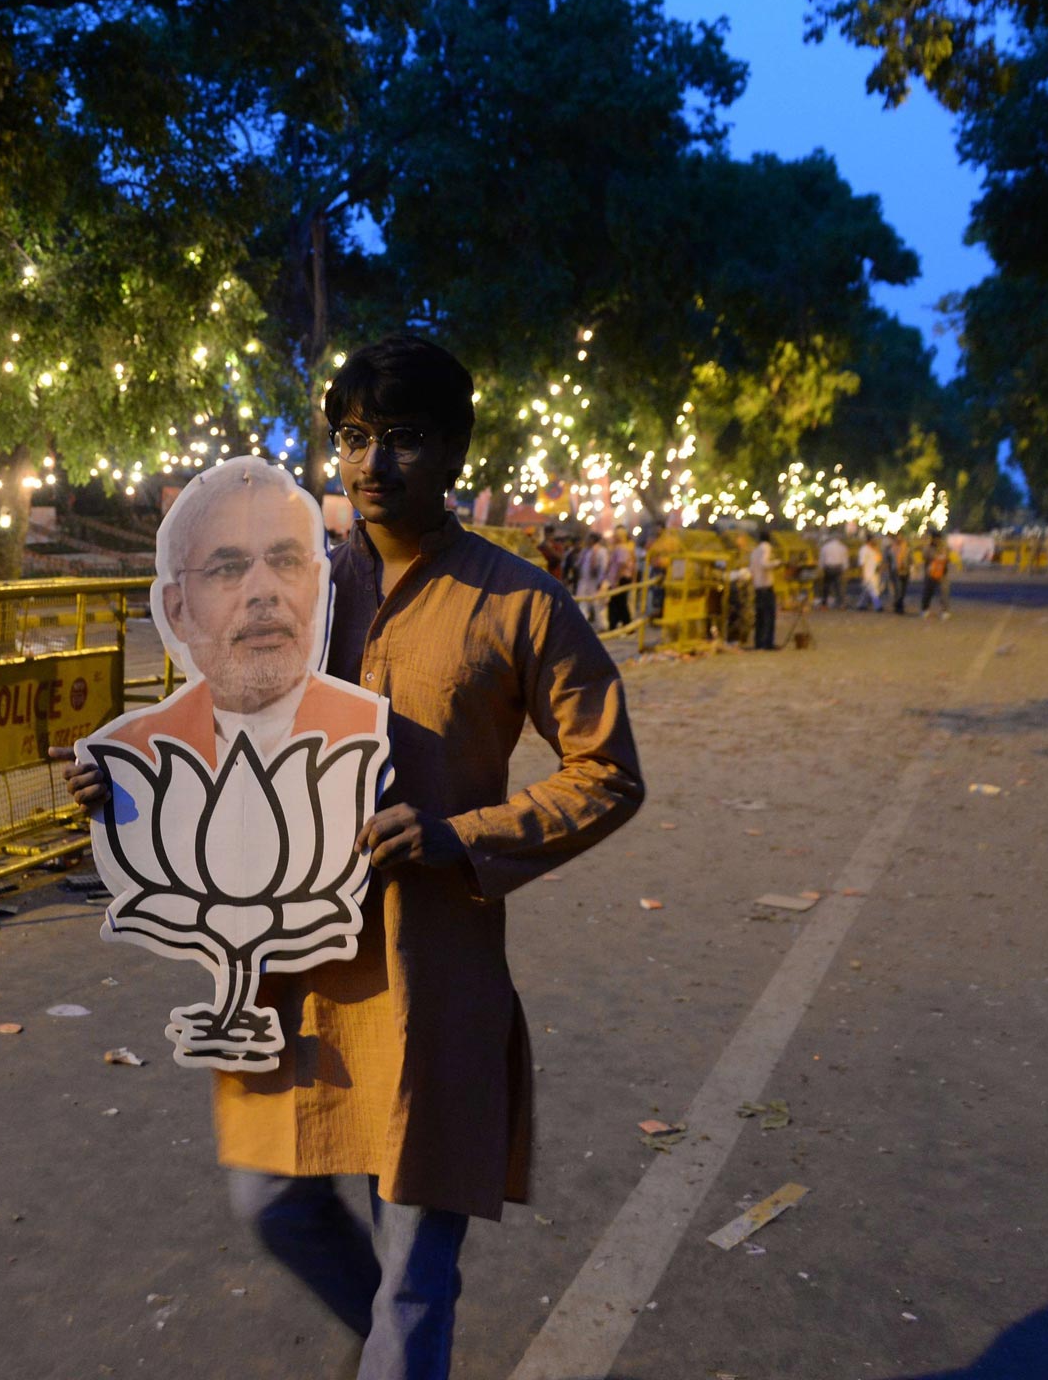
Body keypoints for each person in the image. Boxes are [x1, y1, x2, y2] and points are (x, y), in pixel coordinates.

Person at [56, 335, 644, 1380]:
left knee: (415, 1270)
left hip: (432, 974)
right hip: (286, 963)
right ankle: (391, 1347)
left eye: (403, 440)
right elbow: (221, 723)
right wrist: (128, 779)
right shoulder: (298, 589)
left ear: (457, 449)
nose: (371, 465)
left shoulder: (519, 604)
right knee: (271, 1199)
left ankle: (397, 1349)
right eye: (353, 438)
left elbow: (607, 773)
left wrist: (459, 836)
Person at [99, 456, 386, 760]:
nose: (263, 590)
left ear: (316, 587)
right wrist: (104, 781)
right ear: (177, 608)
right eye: (229, 568)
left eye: (287, 562)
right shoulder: (138, 757)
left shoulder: (368, 737)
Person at [750, 526, 778, 650]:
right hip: (766, 586)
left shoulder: (755, 550)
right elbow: (764, 563)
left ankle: (759, 642)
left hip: (757, 586)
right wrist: (777, 563)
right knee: (769, 616)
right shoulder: (766, 547)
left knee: (760, 616)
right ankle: (768, 643)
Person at [575, 530, 609, 630]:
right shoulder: (585, 551)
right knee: (582, 602)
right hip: (584, 581)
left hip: (595, 581)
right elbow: (579, 564)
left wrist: (600, 581)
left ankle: (602, 626)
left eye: (588, 538)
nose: (586, 540)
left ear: (593, 540)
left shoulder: (601, 551)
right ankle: (582, 624)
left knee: (598, 604)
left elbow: (603, 567)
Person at [605, 527, 636, 630]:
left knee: (618, 603)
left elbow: (621, 565)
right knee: (618, 602)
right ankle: (621, 624)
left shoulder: (621, 548)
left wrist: (616, 580)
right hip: (620, 578)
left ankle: (621, 625)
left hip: (620, 579)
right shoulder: (622, 548)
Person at [920, 533, 952, 619]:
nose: (937, 541)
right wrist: (935, 557)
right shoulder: (928, 548)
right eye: (935, 539)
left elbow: (948, 559)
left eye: (939, 539)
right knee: (928, 592)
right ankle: (925, 609)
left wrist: (944, 557)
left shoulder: (945, 548)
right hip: (930, 574)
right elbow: (925, 557)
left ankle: (945, 611)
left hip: (942, 574)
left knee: (944, 593)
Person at [817, 530, 849, 609]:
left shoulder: (825, 547)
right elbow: (845, 560)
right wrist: (845, 569)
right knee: (839, 587)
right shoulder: (842, 547)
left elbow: (822, 559)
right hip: (838, 568)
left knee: (826, 586)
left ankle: (824, 604)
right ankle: (841, 604)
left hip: (828, 568)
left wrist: (820, 568)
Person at [856, 534, 885, 612]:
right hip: (867, 574)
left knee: (867, 591)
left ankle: (861, 605)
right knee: (873, 591)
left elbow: (879, 561)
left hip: (875, 574)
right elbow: (862, 563)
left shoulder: (875, 550)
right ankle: (878, 606)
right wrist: (862, 574)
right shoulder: (864, 549)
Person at [887, 533, 912, 615]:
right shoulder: (891, 549)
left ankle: (898, 604)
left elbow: (911, 559)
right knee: (898, 589)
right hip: (896, 572)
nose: (899, 539)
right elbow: (889, 561)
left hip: (905, 571)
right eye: (898, 538)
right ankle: (899, 607)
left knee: (903, 590)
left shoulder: (907, 548)